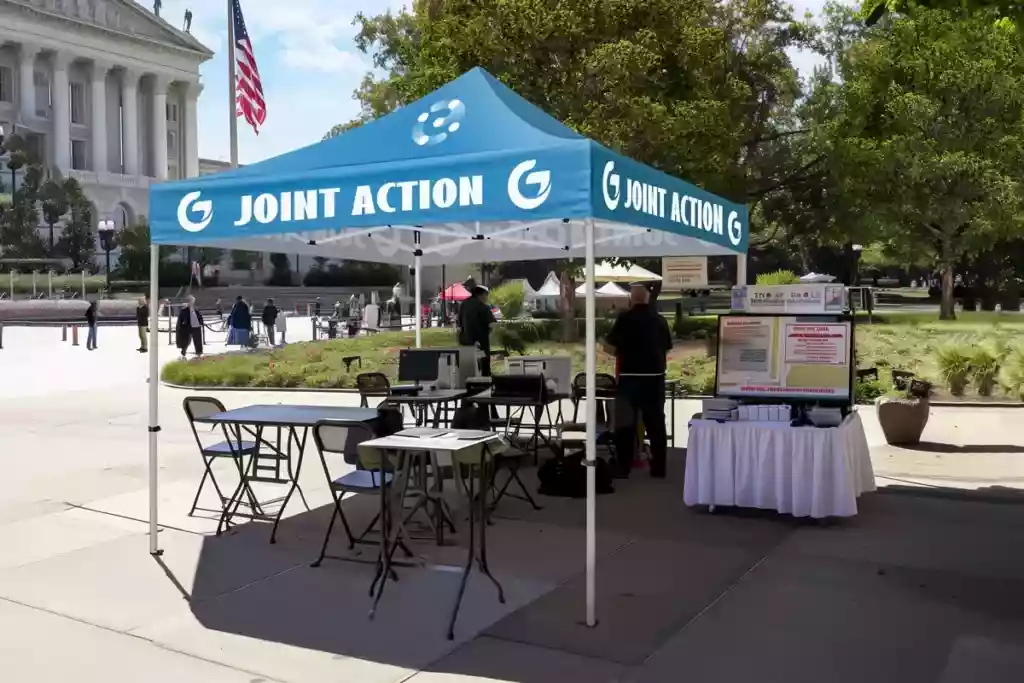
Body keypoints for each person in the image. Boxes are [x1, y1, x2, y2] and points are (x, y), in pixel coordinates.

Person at [603, 284, 673, 479]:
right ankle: (659, 468)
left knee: (625, 425)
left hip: (629, 378)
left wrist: (603, 344)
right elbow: (667, 347)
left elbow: (611, 347)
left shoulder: (624, 319)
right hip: (655, 378)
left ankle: (623, 468)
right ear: (648, 299)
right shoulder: (660, 320)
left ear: (631, 299)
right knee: (656, 423)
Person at [458, 284, 496, 376]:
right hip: (481, 343)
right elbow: (492, 324)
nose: (487, 298)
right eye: (486, 295)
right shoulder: (484, 307)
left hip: (465, 342)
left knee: (468, 369)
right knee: (483, 369)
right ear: (481, 295)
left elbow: (459, 323)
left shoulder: (464, 304)